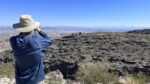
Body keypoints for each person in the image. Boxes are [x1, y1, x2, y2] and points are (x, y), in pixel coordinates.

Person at [10, 15, 52, 84]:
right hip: (35, 80)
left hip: (20, 81)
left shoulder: (13, 41)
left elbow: (20, 38)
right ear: (32, 28)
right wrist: (39, 31)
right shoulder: (36, 41)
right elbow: (49, 40)